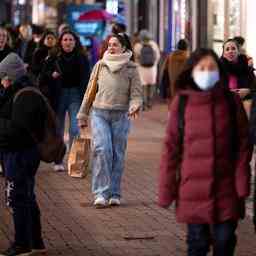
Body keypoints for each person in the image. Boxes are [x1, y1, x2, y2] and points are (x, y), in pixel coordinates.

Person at [158, 48, 252, 256]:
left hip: (226, 188)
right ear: (192, 71)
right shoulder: (181, 104)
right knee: (197, 244)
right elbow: (170, 150)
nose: (207, 72)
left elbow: (243, 144)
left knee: (225, 241)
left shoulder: (230, 102)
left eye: (212, 68)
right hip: (193, 190)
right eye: (202, 68)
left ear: (219, 72)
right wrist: (167, 190)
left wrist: (241, 180)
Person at [77, 33, 142, 208]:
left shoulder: (131, 68)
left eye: (115, 44)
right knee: (102, 150)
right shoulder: (100, 65)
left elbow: (136, 94)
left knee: (117, 154)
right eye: (109, 44)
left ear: (124, 47)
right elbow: (90, 91)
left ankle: (114, 193)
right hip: (99, 114)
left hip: (121, 116)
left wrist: (135, 105)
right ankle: (100, 193)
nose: (111, 47)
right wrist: (82, 114)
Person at [0, 53, 47, 255]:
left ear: (10, 75)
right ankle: (36, 242)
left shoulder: (25, 94)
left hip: (21, 153)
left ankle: (22, 245)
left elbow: (16, 130)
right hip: (21, 152)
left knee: (19, 197)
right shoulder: (18, 90)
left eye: (2, 76)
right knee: (27, 196)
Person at [41, 30, 90, 171]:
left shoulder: (82, 57)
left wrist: (86, 100)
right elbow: (43, 74)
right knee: (58, 129)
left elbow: (87, 79)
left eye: (71, 40)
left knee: (75, 128)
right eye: (65, 40)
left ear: (75, 42)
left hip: (75, 94)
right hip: (58, 95)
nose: (68, 42)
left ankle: (74, 160)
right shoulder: (53, 57)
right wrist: (52, 75)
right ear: (60, 42)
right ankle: (58, 161)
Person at [134, 29, 160, 110]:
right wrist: (154, 63)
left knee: (143, 86)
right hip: (152, 69)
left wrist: (138, 64)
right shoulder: (154, 45)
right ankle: (150, 102)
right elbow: (158, 56)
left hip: (141, 68)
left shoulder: (137, 46)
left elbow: (135, 57)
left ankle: (144, 103)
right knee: (151, 85)